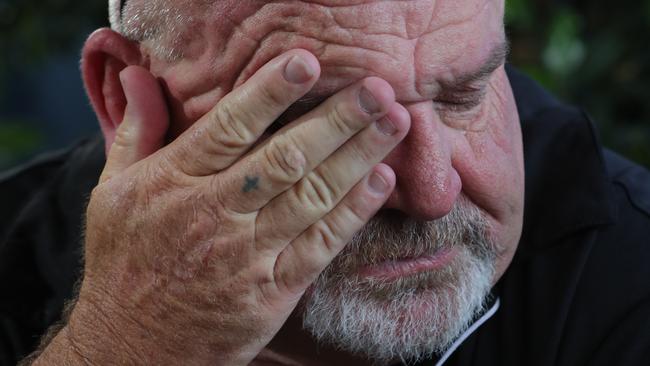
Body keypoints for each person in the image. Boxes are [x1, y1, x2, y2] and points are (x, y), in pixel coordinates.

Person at [1, 0, 649, 365]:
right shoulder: (12, 260)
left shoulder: (628, 268)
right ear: (124, 99)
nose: (432, 193)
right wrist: (123, 345)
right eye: (331, 127)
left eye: (464, 95)